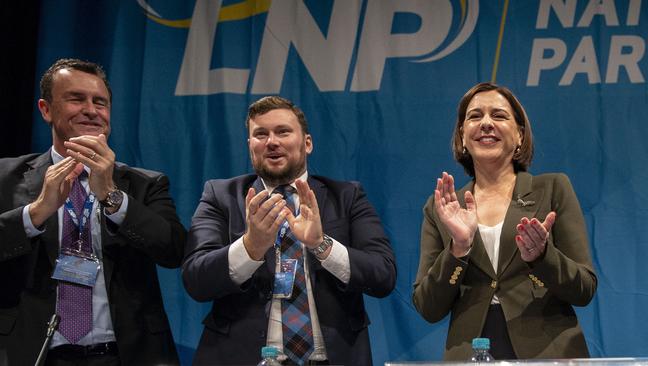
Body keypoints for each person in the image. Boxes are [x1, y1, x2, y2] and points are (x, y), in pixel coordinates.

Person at [183, 96, 396, 365]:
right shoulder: (221, 195)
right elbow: (196, 280)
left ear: (307, 143)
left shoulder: (347, 196)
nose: (272, 141)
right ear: (250, 146)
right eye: (260, 134)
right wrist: (251, 247)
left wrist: (321, 245)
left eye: (283, 131)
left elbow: (383, 275)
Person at [0, 58, 186, 365]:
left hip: (125, 355)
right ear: (46, 109)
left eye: (100, 102)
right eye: (76, 99)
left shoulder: (144, 183)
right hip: (35, 353)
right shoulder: (6, 177)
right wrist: (35, 213)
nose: (91, 109)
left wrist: (112, 197)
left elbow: (173, 250)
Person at [412, 82, 597, 360]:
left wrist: (542, 256)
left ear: (520, 135)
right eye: (475, 116)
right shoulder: (442, 206)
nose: (486, 123)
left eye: (498, 116)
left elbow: (584, 289)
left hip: (547, 353)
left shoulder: (553, 188)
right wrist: (458, 249)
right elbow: (428, 307)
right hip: (471, 353)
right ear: (462, 135)